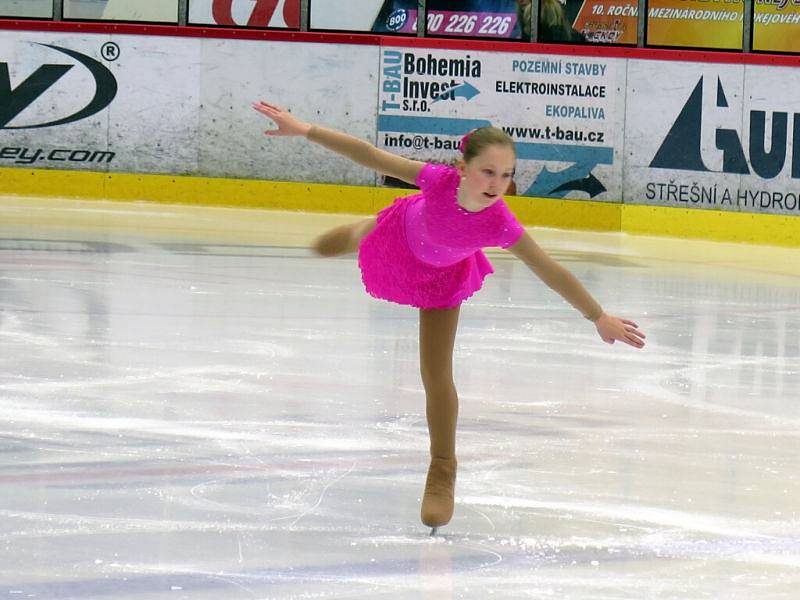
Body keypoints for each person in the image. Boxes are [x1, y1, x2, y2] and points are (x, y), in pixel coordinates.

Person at [252, 101, 646, 533]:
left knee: (435, 373)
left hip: (443, 277)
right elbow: (370, 155)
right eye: (488, 172)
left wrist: (598, 316)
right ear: (463, 168)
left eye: (506, 174)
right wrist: (305, 129)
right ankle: (363, 230)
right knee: (376, 229)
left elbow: (549, 270)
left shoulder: (499, 223)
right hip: (399, 239)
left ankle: (442, 468)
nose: (497, 184)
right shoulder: (437, 181)